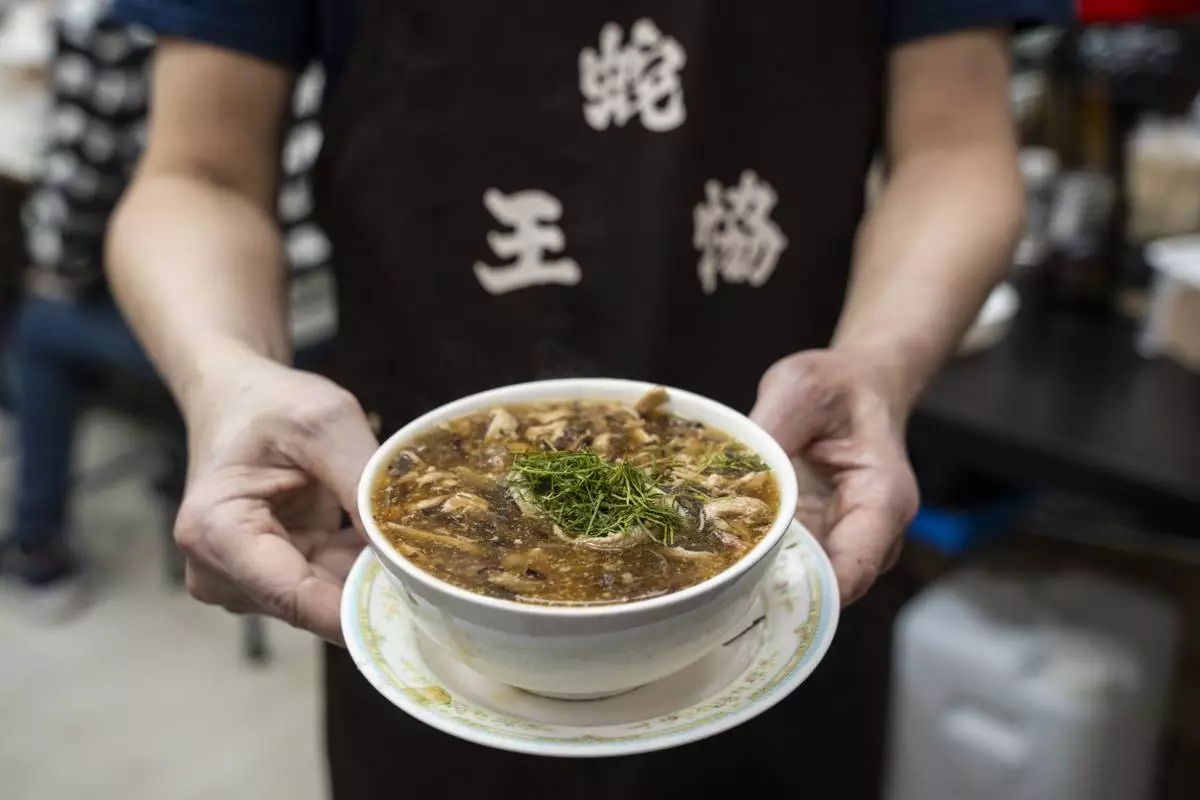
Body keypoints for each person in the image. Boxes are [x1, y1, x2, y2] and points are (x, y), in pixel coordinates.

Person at [106, 1, 1070, 796]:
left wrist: (881, 365)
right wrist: (225, 377)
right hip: (412, 566)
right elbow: (199, 171)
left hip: (791, 528)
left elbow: (955, 144)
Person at [0, 0, 334, 604]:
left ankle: (37, 545)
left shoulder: (99, 29)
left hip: (271, 319)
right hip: (323, 308)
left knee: (38, 324)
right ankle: (180, 455)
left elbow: (69, 224)